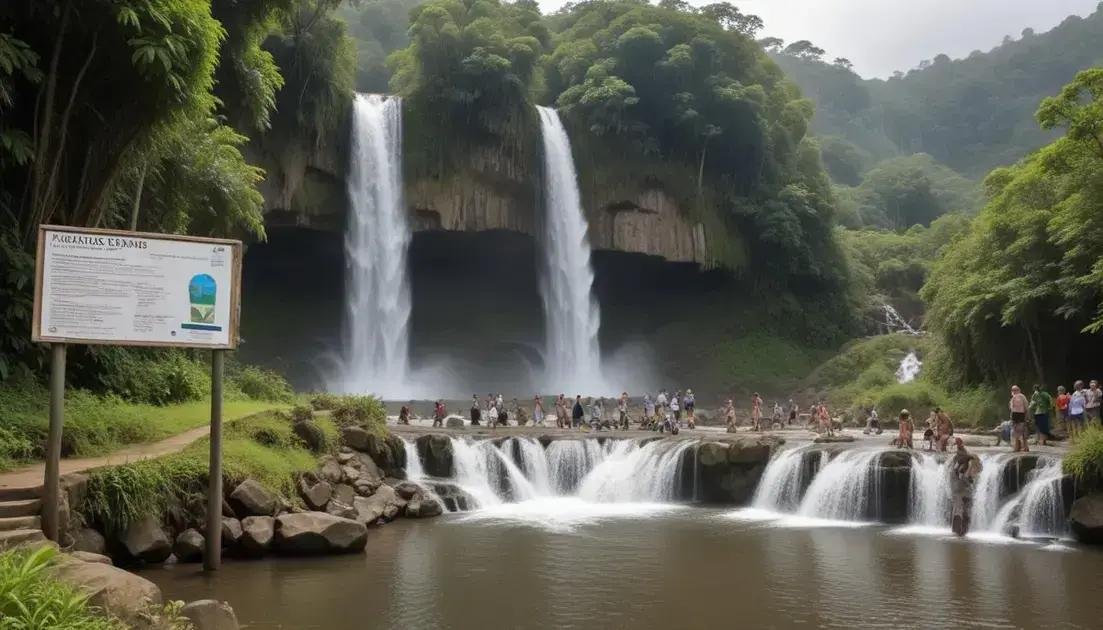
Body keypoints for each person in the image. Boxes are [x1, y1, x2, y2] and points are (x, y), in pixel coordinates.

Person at [950, 438, 982, 536]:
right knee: (963, 509)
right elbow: (967, 476)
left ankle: (959, 530)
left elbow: (962, 474)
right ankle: (962, 530)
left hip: (961, 489)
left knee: (960, 509)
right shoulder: (964, 462)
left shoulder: (960, 462)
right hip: (963, 489)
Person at [1008, 385, 1030, 452]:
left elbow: (1011, 408)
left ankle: (1017, 447)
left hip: (1016, 415)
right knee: (1022, 431)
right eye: (1013, 390)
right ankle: (1024, 447)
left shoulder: (1013, 398)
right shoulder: (1022, 396)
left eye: (1014, 390)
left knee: (1016, 432)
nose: (1014, 391)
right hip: (1021, 415)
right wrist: (1027, 416)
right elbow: (1026, 407)